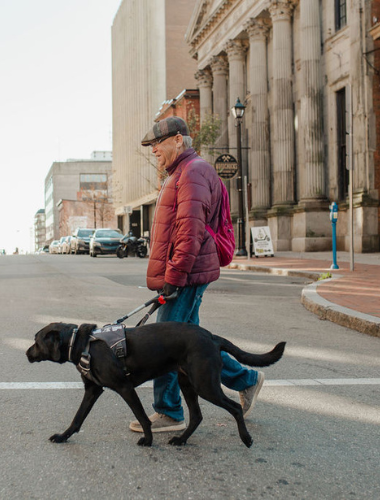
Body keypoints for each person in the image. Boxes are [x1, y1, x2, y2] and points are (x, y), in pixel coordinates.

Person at [129, 116, 265, 434]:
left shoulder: (193, 172)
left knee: (165, 343)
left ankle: (169, 411)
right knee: (192, 343)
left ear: (178, 139)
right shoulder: (183, 173)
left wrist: (173, 277)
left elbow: (189, 232)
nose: (153, 150)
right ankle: (247, 379)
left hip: (186, 275)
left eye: (157, 143)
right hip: (186, 273)